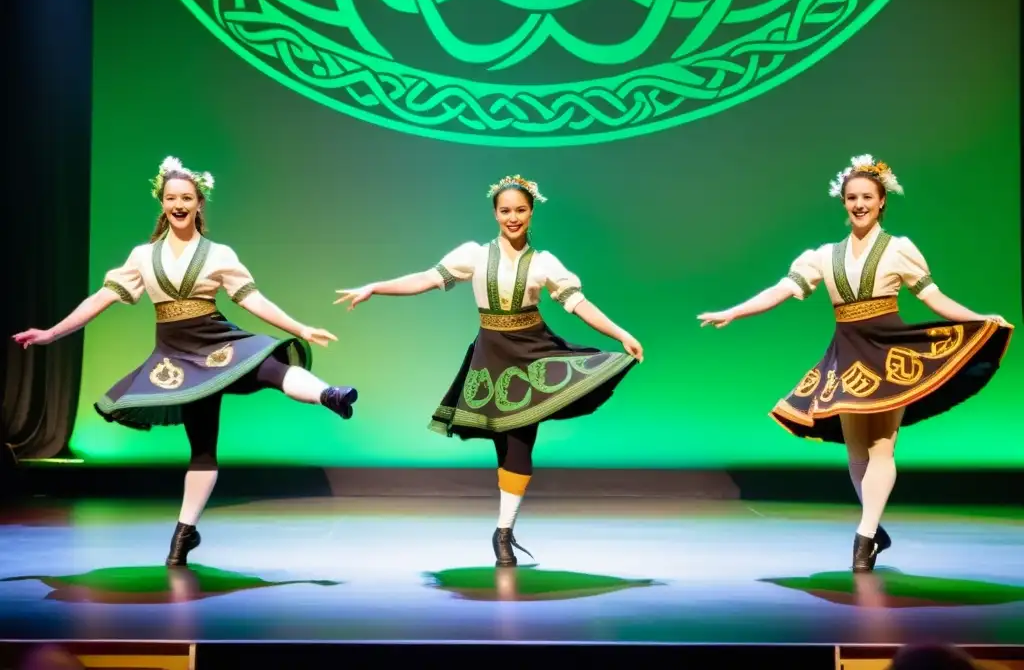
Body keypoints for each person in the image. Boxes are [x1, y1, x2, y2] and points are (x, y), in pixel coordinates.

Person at [13, 157, 359, 567]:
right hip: (178, 358)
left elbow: (252, 299)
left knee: (269, 365)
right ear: (162, 203)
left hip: (216, 341)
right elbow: (100, 299)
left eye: (187, 198)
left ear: (199, 204)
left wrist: (300, 328)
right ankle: (184, 534)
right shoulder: (143, 257)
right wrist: (52, 333)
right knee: (202, 448)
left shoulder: (219, 254)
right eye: (172, 198)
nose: (179, 204)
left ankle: (330, 395)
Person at [696, 155, 1013, 572]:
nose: (859, 204)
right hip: (847, 353)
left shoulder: (899, 250)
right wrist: (735, 311)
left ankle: (863, 539)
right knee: (856, 451)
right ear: (843, 203)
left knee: (883, 446)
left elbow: (934, 299)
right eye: (851, 197)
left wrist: (978, 319)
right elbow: (780, 290)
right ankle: (873, 525)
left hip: (889, 351)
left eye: (867, 197)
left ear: (882, 201)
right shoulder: (824, 257)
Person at [334, 175, 643, 567]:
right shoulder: (474, 255)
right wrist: (375, 287)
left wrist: (621, 334)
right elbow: (427, 279)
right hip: (493, 357)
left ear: (531, 212)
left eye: (520, 210)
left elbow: (579, 303)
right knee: (504, 442)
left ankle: (503, 532)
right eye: (505, 211)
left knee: (519, 444)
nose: (512, 218)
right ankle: (504, 531)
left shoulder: (544, 263)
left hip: (533, 355)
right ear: (494, 213)